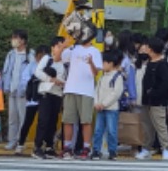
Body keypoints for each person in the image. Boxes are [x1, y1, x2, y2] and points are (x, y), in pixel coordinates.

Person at [61, 32, 102, 160]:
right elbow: (58, 58)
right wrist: (65, 46)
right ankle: (67, 148)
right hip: (71, 88)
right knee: (68, 120)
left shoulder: (95, 51)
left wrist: (90, 63)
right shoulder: (73, 49)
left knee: (86, 121)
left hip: (86, 90)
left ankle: (86, 148)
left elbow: (95, 72)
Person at [136, 38, 168, 161]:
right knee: (147, 126)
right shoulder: (149, 63)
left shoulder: (162, 65)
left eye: (147, 46)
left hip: (158, 102)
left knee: (160, 126)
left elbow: (165, 84)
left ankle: (166, 149)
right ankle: (146, 148)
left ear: (151, 49)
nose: (145, 48)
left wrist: (154, 93)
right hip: (147, 101)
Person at [32, 37, 66, 159]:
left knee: (53, 121)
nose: (61, 50)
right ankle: (37, 146)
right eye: (59, 46)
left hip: (57, 94)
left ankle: (49, 147)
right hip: (46, 92)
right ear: (53, 48)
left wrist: (62, 82)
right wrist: (51, 79)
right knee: (43, 120)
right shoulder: (47, 59)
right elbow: (38, 72)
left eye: (63, 47)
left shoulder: (65, 62)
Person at [2, 30, 36, 151]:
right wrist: (5, 86)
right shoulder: (11, 54)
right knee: (12, 117)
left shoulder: (30, 55)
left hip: (23, 91)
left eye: (16, 38)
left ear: (23, 40)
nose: (14, 40)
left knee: (23, 117)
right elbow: (6, 71)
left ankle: (21, 140)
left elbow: (32, 73)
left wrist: (26, 89)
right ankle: (12, 140)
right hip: (12, 89)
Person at [91, 51, 124, 161]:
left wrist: (103, 104)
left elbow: (116, 93)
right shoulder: (102, 77)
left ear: (111, 63)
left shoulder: (117, 77)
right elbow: (96, 91)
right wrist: (96, 103)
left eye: (104, 62)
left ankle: (112, 151)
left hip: (111, 109)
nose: (102, 65)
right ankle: (96, 150)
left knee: (111, 131)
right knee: (98, 130)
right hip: (100, 108)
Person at [15, 46, 48, 155]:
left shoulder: (49, 66)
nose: (40, 58)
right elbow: (24, 79)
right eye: (39, 56)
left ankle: (40, 143)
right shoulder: (31, 66)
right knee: (27, 122)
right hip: (32, 98)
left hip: (44, 97)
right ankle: (20, 143)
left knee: (43, 122)